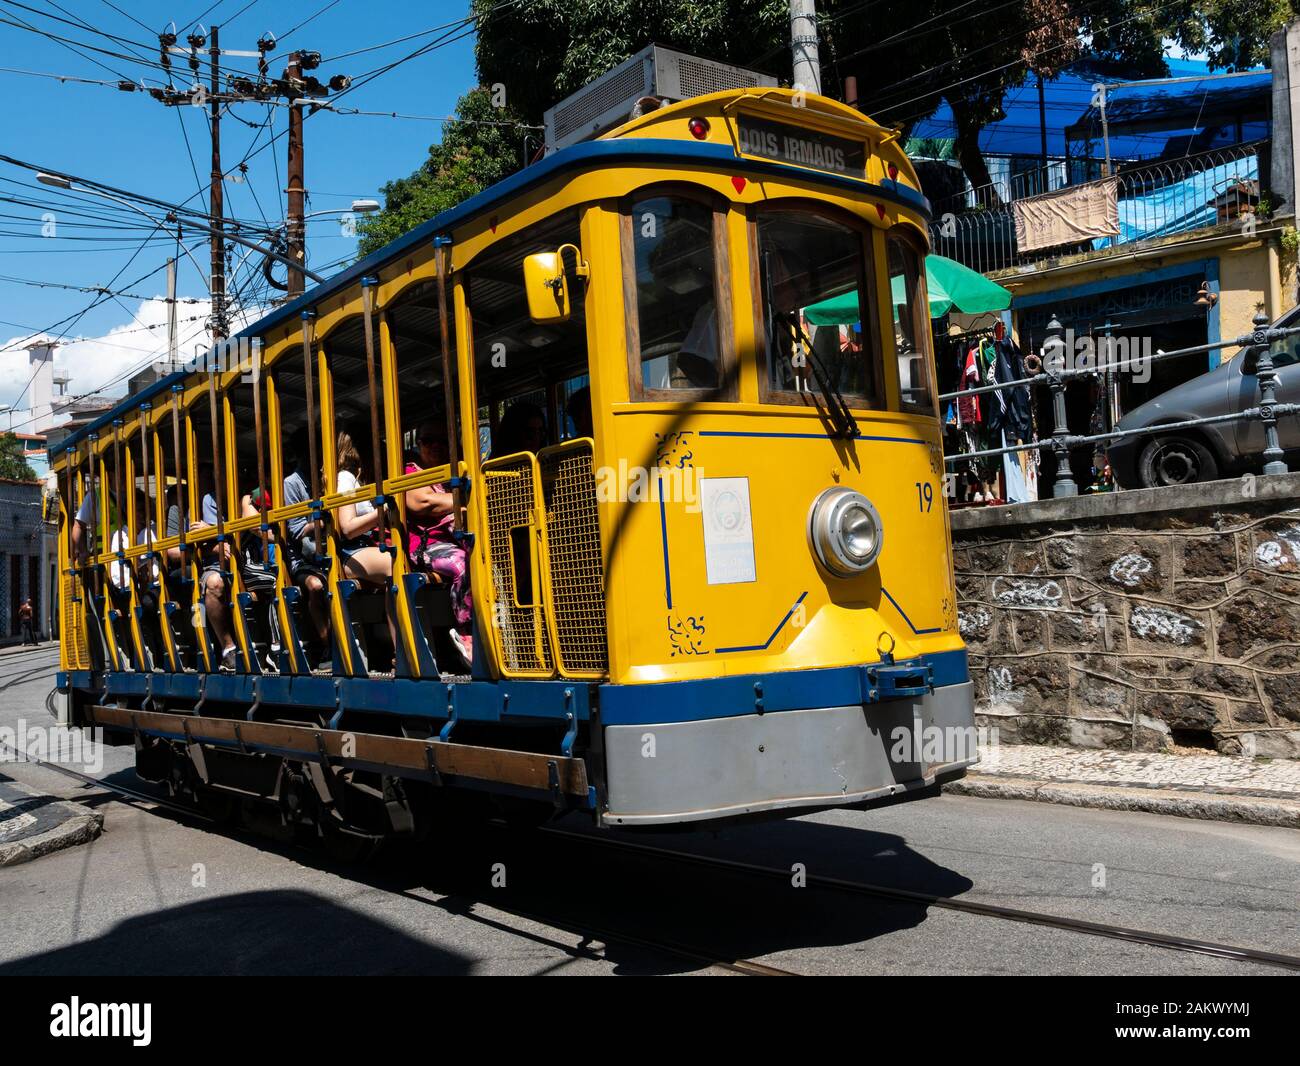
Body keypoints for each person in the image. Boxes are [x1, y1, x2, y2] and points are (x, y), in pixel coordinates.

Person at [407, 421, 472, 670]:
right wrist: (464, 498)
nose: (435, 446)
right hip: (429, 546)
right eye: (427, 441)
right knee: (464, 564)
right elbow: (423, 503)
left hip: (461, 538)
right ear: (418, 445)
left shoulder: (457, 471)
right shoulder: (410, 472)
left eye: (442, 441)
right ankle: (467, 634)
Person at [282, 427, 331, 661]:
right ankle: (328, 643)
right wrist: (324, 521)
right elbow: (296, 530)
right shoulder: (291, 483)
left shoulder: (327, 476)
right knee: (316, 586)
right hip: (303, 558)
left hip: (331, 550)